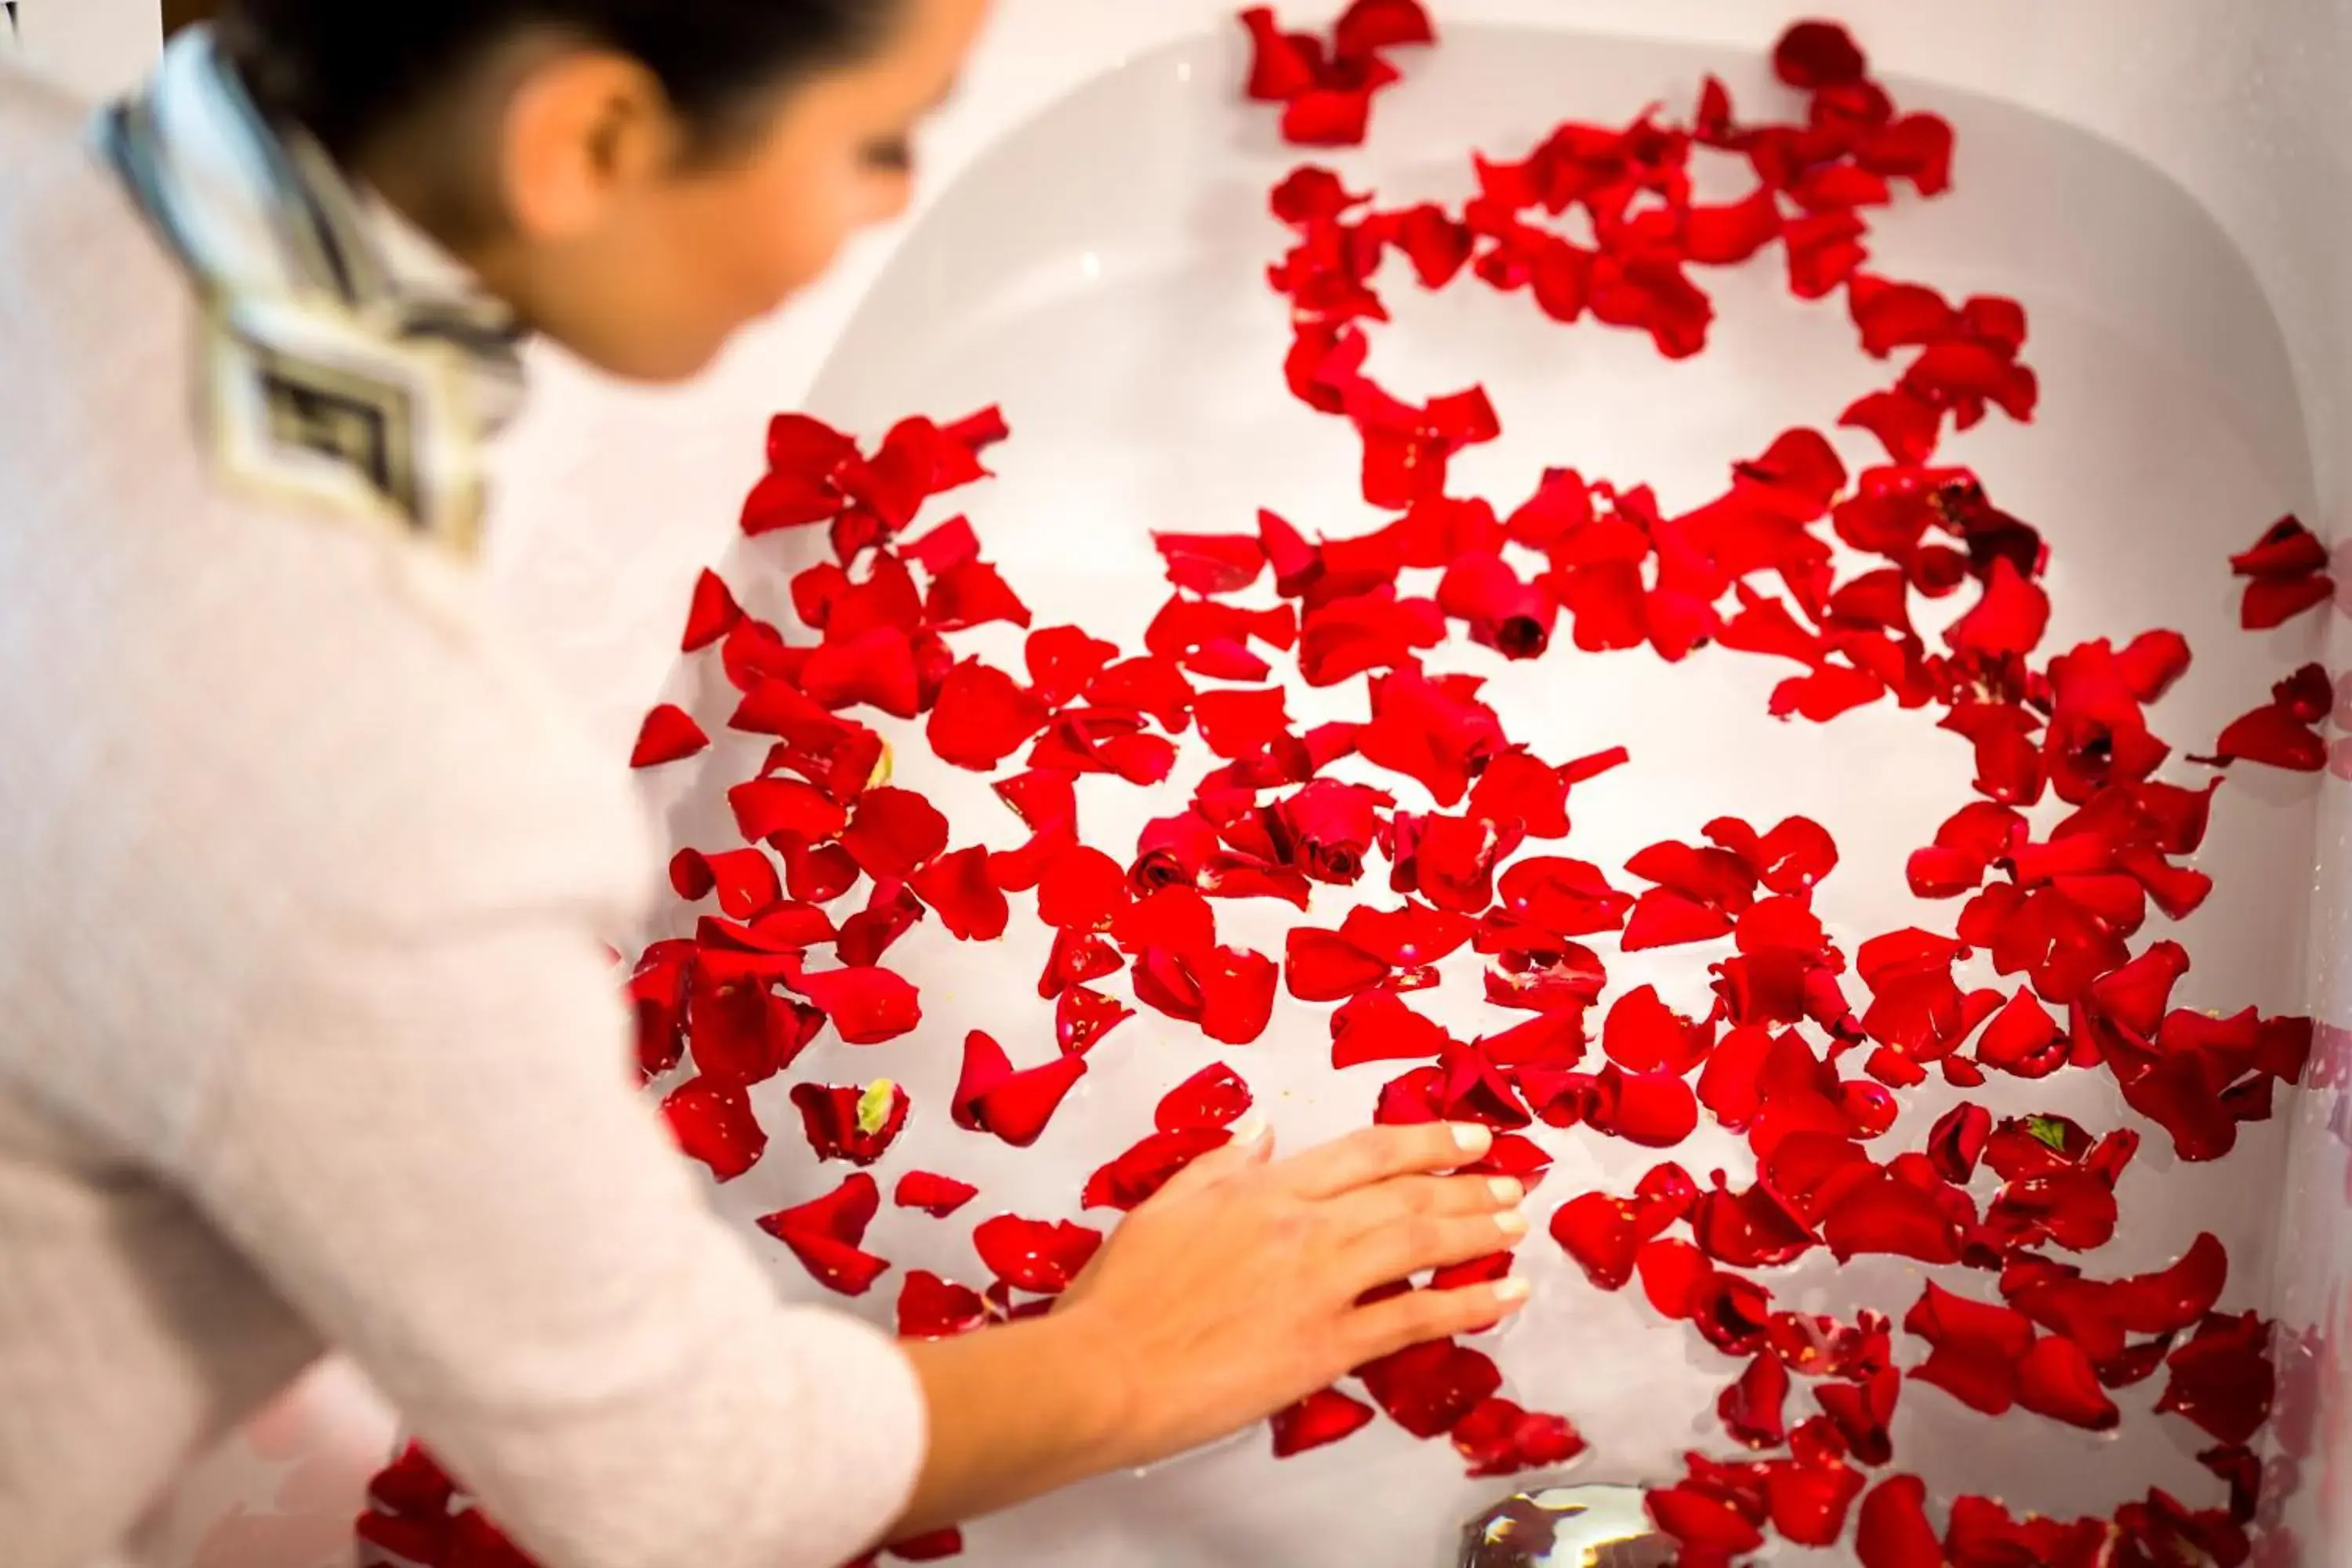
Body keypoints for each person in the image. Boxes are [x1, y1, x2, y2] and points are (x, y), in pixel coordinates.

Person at [0, 3, 1534, 1566]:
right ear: (587, 141)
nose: (895, 200)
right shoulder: (363, 780)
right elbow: (689, 1484)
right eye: (879, 141)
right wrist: (1134, 1356)